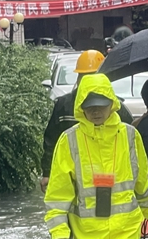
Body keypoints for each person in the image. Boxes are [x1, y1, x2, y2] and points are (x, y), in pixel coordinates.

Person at [44, 73, 148, 239]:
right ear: (81, 107)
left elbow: (140, 182)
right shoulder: (69, 140)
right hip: (88, 232)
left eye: (101, 105)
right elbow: (58, 192)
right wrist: (59, 230)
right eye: (89, 107)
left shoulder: (129, 135)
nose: (96, 111)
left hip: (125, 228)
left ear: (112, 103)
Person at [40, 50, 133, 192]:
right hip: (75, 173)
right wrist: (47, 173)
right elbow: (51, 141)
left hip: (105, 175)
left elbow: (129, 144)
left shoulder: (115, 107)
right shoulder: (113, 106)